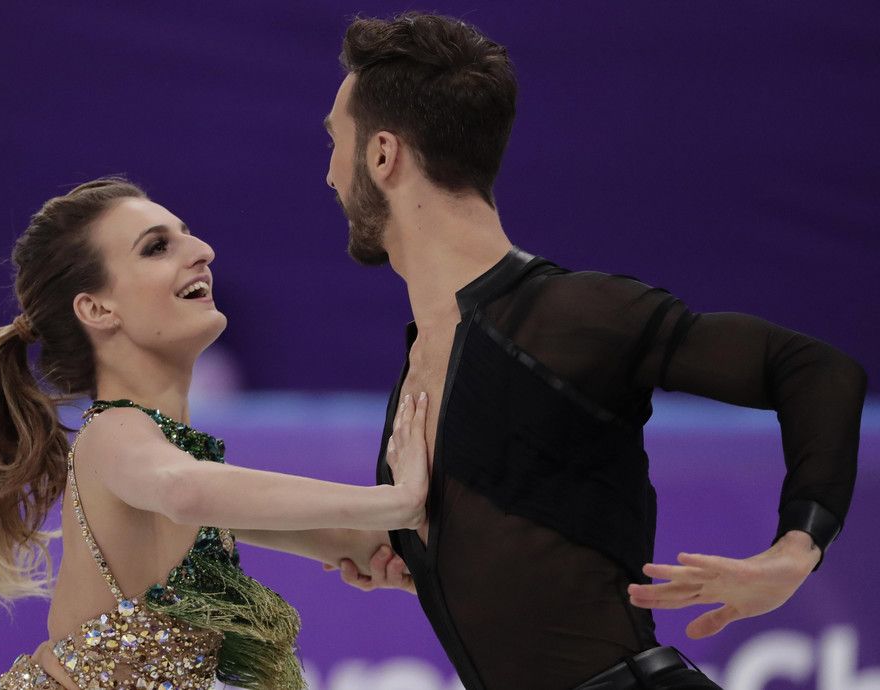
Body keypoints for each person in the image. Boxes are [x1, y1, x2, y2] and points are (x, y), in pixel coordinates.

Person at [319, 12, 868, 690]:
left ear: (382, 155)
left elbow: (815, 370)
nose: (330, 174)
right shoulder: (423, 358)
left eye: (335, 142)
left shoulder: (570, 315)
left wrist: (796, 548)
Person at [0, 178, 430, 690]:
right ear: (97, 309)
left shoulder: (174, 459)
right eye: (157, 247)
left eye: (186, 234)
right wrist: (393, 501)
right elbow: (184, 490)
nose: (203, 251)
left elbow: (346, 538)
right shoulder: (112, 432)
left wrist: (398, 555)